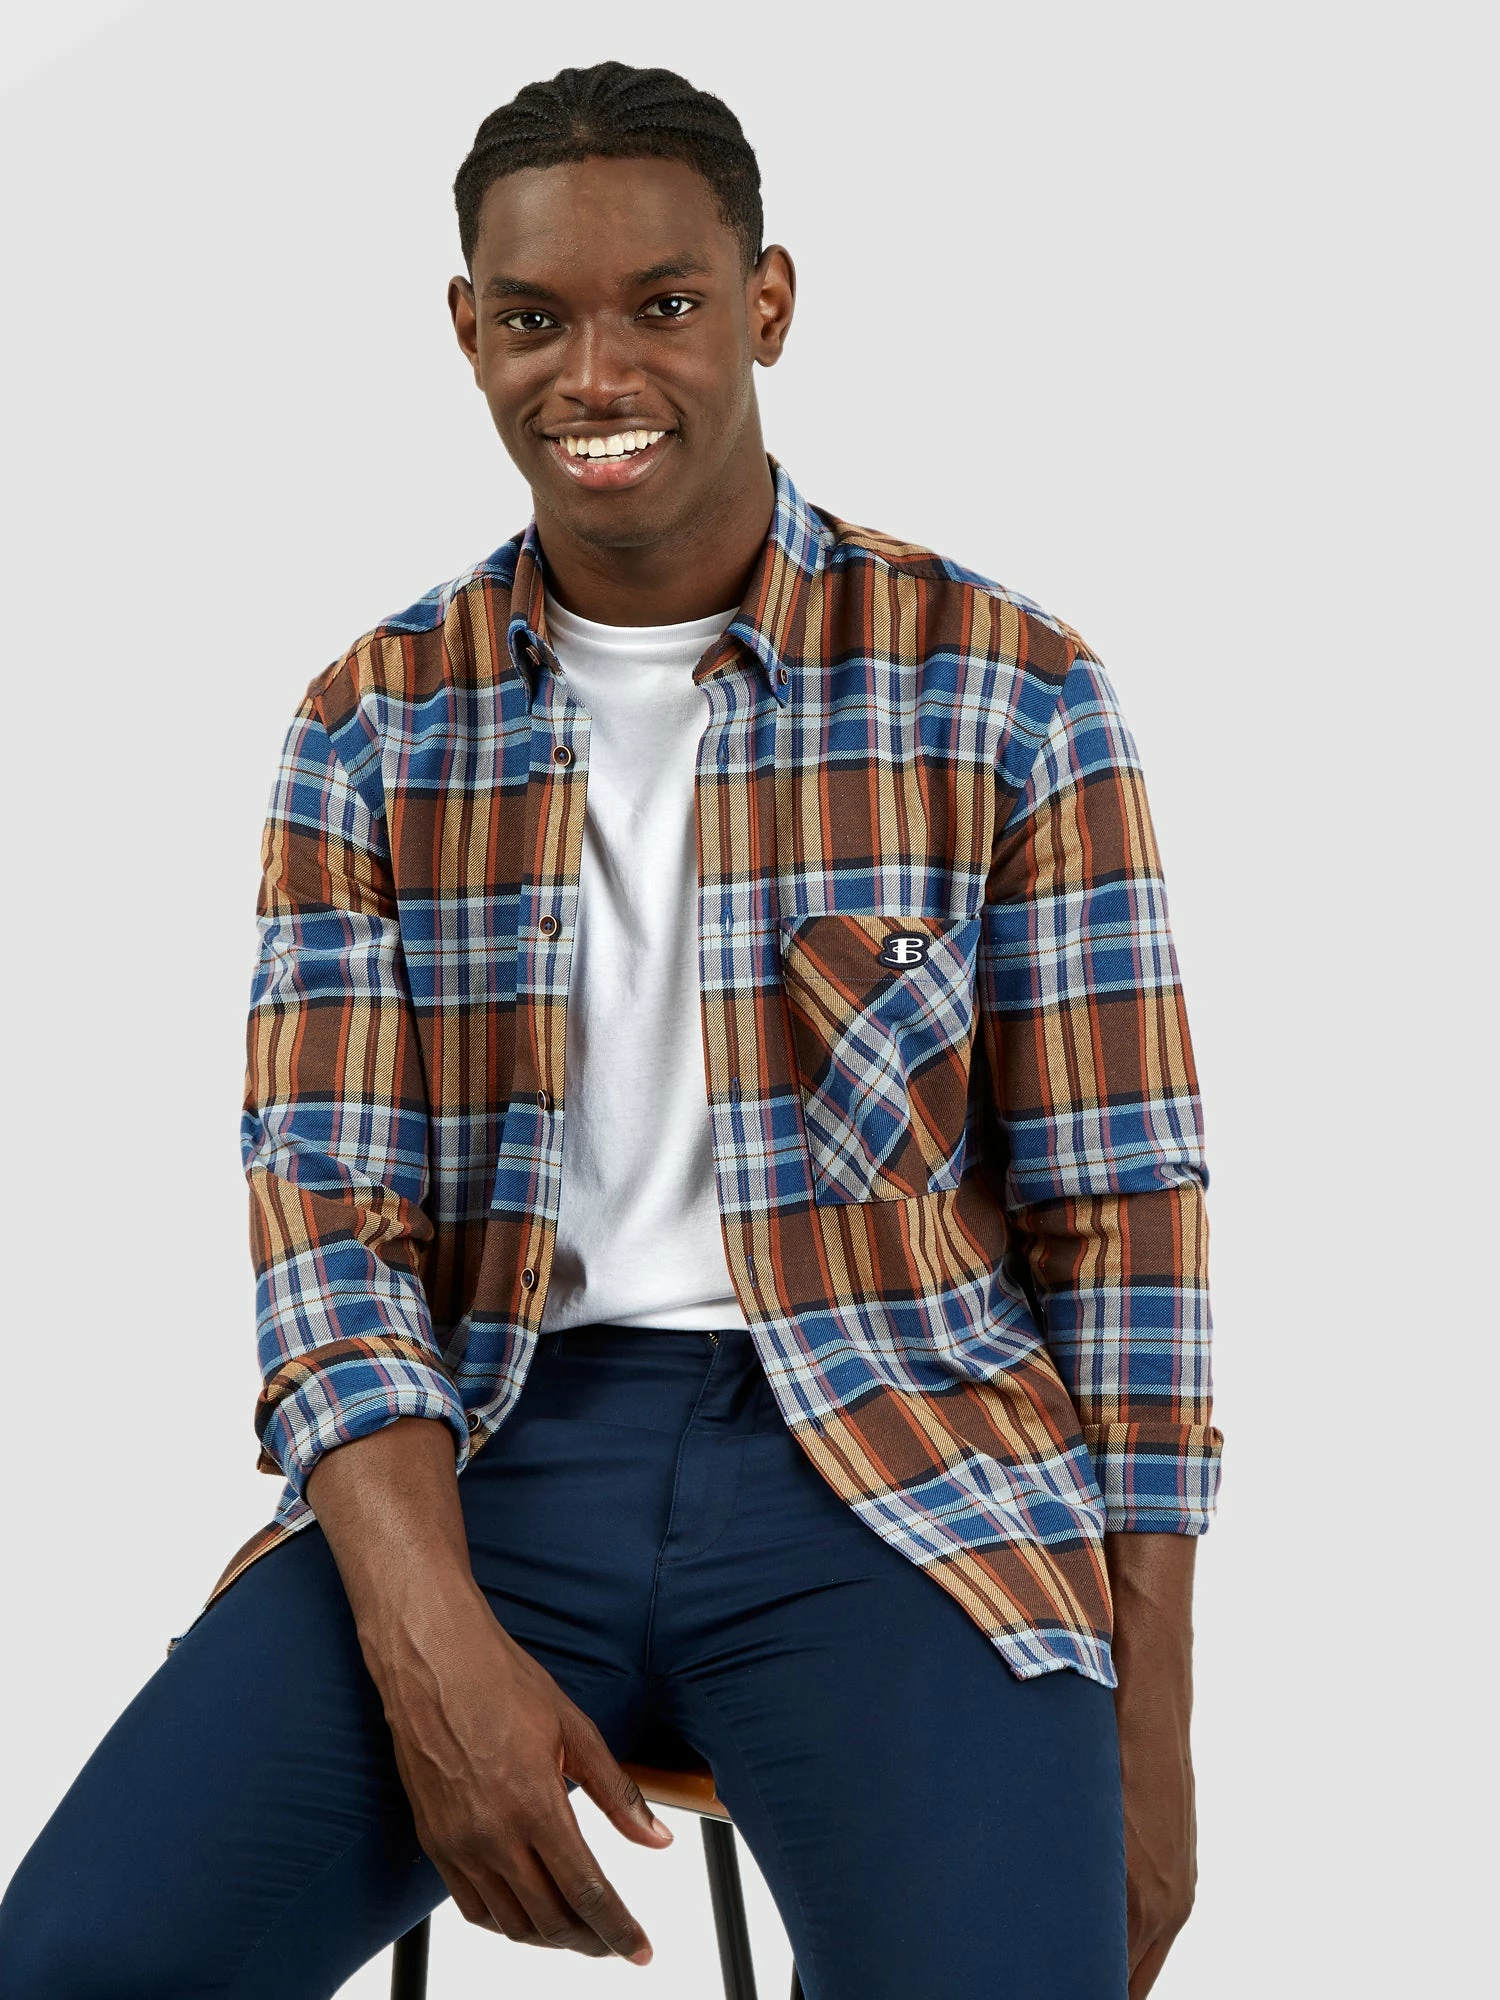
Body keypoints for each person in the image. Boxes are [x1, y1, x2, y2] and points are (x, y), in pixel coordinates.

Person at [0, 60, 1222, 2000]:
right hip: (484, 1448)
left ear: (767, 303)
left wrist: (1153, 1730)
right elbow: (328, 1225)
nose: (596, 374)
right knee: (79, 1961)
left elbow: (1123, 1218)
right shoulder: (371, 726)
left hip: (895, 1455)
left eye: (661, 304)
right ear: (465, 330)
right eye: (532, 318)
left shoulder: (1008, 689)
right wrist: (430, 1646)